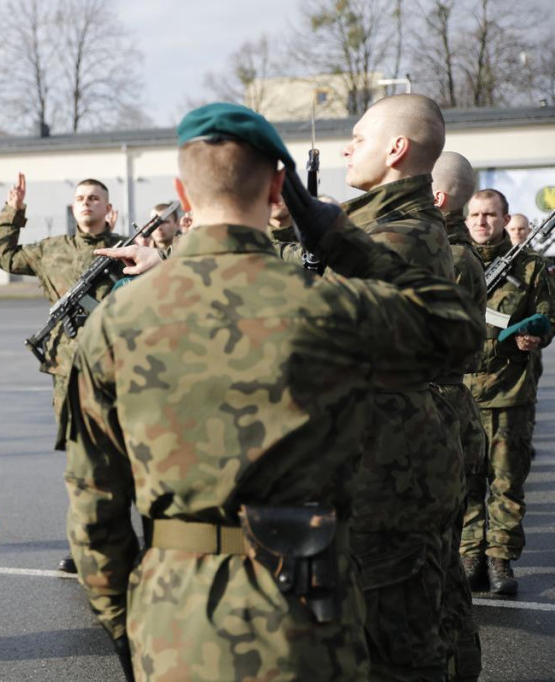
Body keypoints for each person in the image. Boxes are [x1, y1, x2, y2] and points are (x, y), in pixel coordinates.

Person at [64, 102, 484, 681]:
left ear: (183, 197)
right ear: (278, 189)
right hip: (307, 609)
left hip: (175, 617)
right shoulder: (328, 306)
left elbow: (94, 511)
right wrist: (336, 234)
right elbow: (458, 329)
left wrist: (126, 628)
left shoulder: (114, 323)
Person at [0, 172, 124, 573]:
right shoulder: (51, 250)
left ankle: (118, 542)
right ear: (73, 208)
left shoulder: (128, 250)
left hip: (118, 370)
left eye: (95, 198)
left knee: (120, 459)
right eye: (81, 198)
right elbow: (6, 256)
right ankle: (82, 543)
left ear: (108, 208)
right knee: (78, 464)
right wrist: (12, 210)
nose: (87, 203)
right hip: (67, 373)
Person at [462, 188, 555, 596]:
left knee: (506, 481)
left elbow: (548, 319)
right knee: (465, 482)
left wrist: (536, 336)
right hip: (460, 392)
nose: (482, 222)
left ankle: (499, 560)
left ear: (504, 219)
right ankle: (469, 555)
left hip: (510, 392)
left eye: (490, 215)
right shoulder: (454, 261)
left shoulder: (530, 266)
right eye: (476, 215)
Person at [432, 150, 487, 680]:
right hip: (449, 406)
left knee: (437, 568)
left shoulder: (447, 255)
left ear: (438, 198)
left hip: (439, 410)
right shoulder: (452, 251)